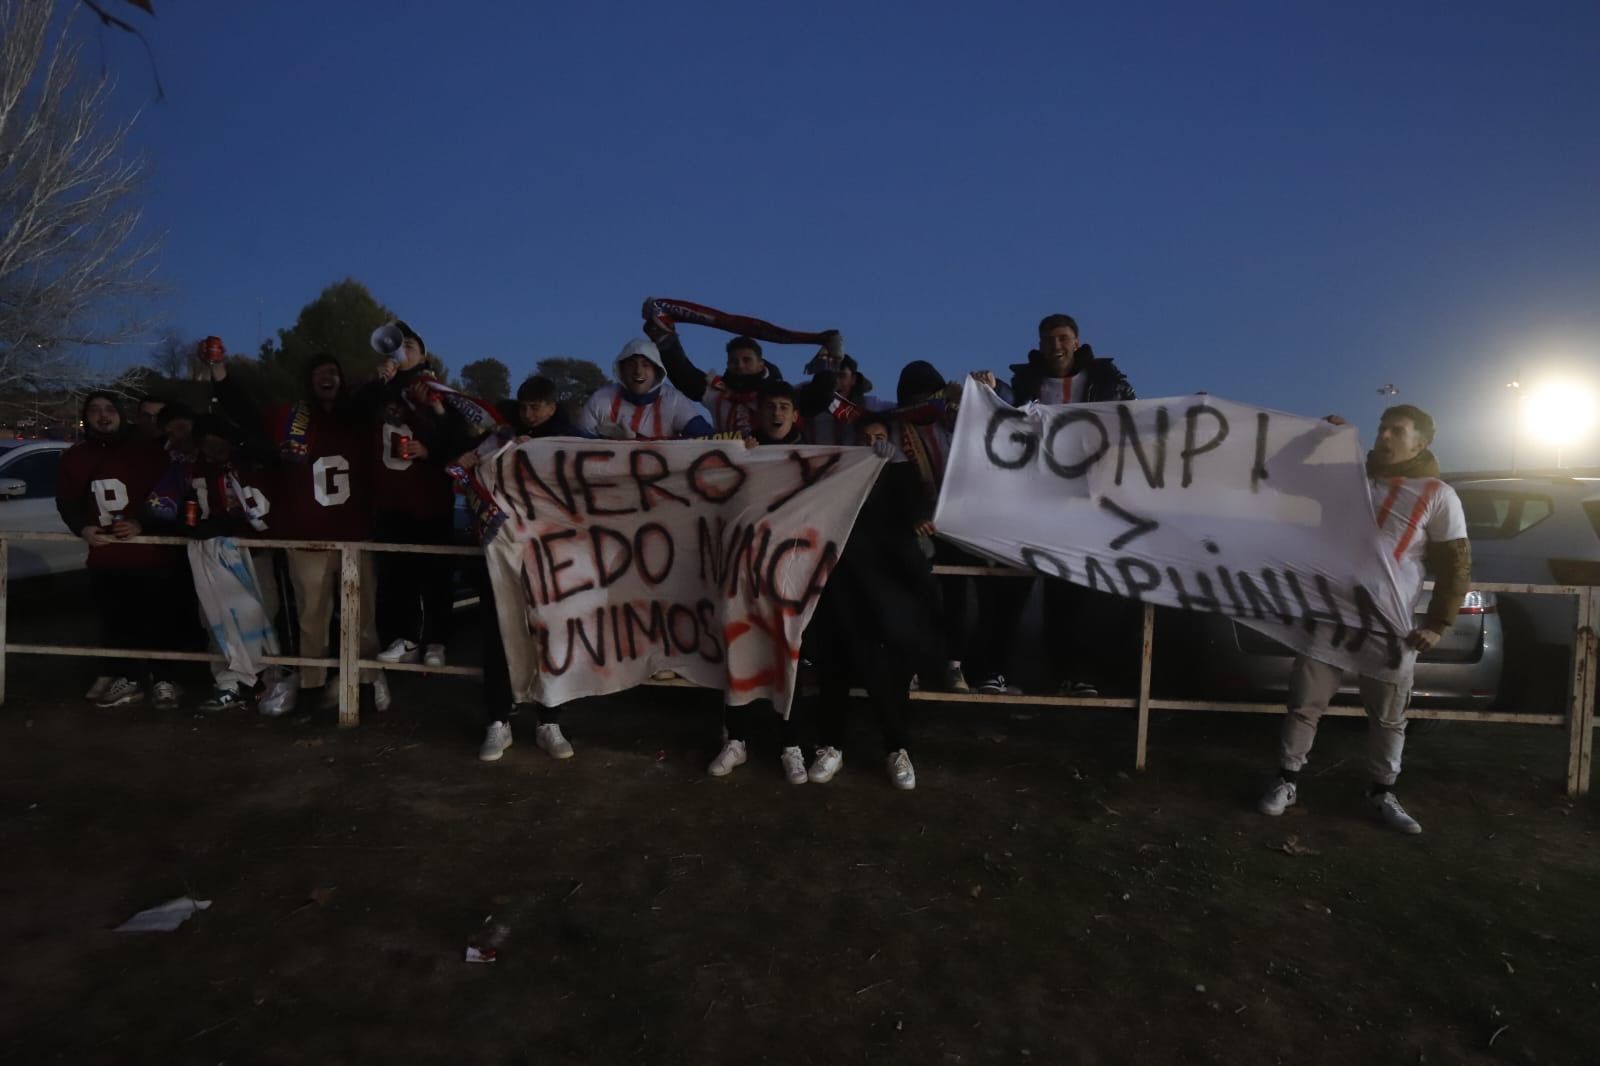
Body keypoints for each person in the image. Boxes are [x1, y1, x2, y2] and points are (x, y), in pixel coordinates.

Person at [1258, 404, 1471, 835]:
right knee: (1305, 704)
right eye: (1382, 428)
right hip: (1330, 615)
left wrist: (1437, 623)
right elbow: (1278, 470)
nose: (1386, 436)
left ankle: (1381, 791)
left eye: (1398, 431)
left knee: (1389, 715)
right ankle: (1287, 779)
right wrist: (1318, 436)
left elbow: (1456, 564)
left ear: (1421, 442)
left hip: (1391, 627)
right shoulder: (1349, 477)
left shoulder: (1438, 494)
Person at [210, 351, 387, 715]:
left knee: (363, 618)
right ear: (308, 381)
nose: (328, 377)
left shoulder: (358, 418)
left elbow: (381, 404)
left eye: (334, 371)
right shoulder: (290, 419)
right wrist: (219, 373)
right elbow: (245, 410)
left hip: (355, 535)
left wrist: (388, 374)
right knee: (312, 619)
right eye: (320, 372)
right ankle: (313, 687)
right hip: (307, 538)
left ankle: (365, 683)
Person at [430, 373, 592, 762]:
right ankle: (498, 720)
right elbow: (456, 467)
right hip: (502, 555)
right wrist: (469, 460)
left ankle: (549, 720)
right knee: (498, 632)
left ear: (553, 407)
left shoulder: (571, 442)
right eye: (523, 406)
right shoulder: (500, 438)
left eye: (536, 407)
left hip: (552, 558)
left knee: (550, 638)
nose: (528, 414)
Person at [978, 313, 1140, 697]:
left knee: (1074, 592)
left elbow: (1138, 418)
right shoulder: (1024, 382)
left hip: (1082, 502)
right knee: (1009, 586)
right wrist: (987, 387)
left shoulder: (1108, 382)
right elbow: (1005, 405)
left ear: (1078, 341)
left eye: (1063, 338)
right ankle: (993, 670)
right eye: (1049, 339)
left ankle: (1073, 674)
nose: (1056, 345)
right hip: (1030, 500)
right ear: (1038, 344)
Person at [804, 413, 933, 789]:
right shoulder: (836, 476)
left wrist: (902, 474)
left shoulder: (899, 477)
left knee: (886, 673)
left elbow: (917, 507)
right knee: (835, 669)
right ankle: (831, 746)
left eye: (879, 437)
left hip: (884, 594)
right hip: (840, 586)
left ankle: (897, 748)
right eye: (865, 438)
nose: (872, 444)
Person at [706, 381, 810, 783]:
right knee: (739, 654)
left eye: (785, 407)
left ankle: (791, 744)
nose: (777, 414)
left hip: (790, 575)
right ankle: (737, 740)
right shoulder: (738, 454)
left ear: (795, 415)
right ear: (757, 413)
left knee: (788, 656)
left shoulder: (818, 457)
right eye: (770, 407)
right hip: (740, 572)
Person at [55, 391, 178, 709]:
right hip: (106, 554)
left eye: (109, 408)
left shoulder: (150, 454)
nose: (103, 415)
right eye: (95, 409)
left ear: (122, 415)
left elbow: (169, 498)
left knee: (158, 619)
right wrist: (82, 527)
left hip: (150, 554)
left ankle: (163, 677)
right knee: (115, 621)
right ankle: (127, 677)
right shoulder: (75, 457)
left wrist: (142, 525)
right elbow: (67, 500)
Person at [371, 322, 457, 671]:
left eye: (408, 345)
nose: (400, 352)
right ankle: (403, 637)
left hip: (431, 500)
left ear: (422, 353)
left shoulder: (436, 388)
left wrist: (430, 449)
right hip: (391, 500)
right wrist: (379, 384)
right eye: (396, 345)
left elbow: (461, 441)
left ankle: (436, 639)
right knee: (395, 577)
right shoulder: (382, 389)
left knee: (435, 576)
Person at [653, 331, 786, 437]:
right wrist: (666, 340)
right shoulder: (719, 391)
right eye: (734, 361)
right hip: (728, 465)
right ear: (727, 365)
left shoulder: (780, 393)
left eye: (747, 360)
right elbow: (685, 375)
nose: (740, 365)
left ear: (760, 364)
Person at [577, 338, 713, 440]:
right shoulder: (600, 400)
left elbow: (707, 439)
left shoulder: (673, 400)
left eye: (646, 364)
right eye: (631, 365)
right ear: (621, 371)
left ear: (657, 372)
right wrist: (606, 441)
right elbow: (576, 446)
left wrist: (634, 441)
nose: (638, 372)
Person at [796, 351, 894, 446]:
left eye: (841, 376)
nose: (835, 383)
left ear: (853, 379)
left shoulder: (870, 405)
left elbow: (901, 410)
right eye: (829, 377)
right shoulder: (804, 401)